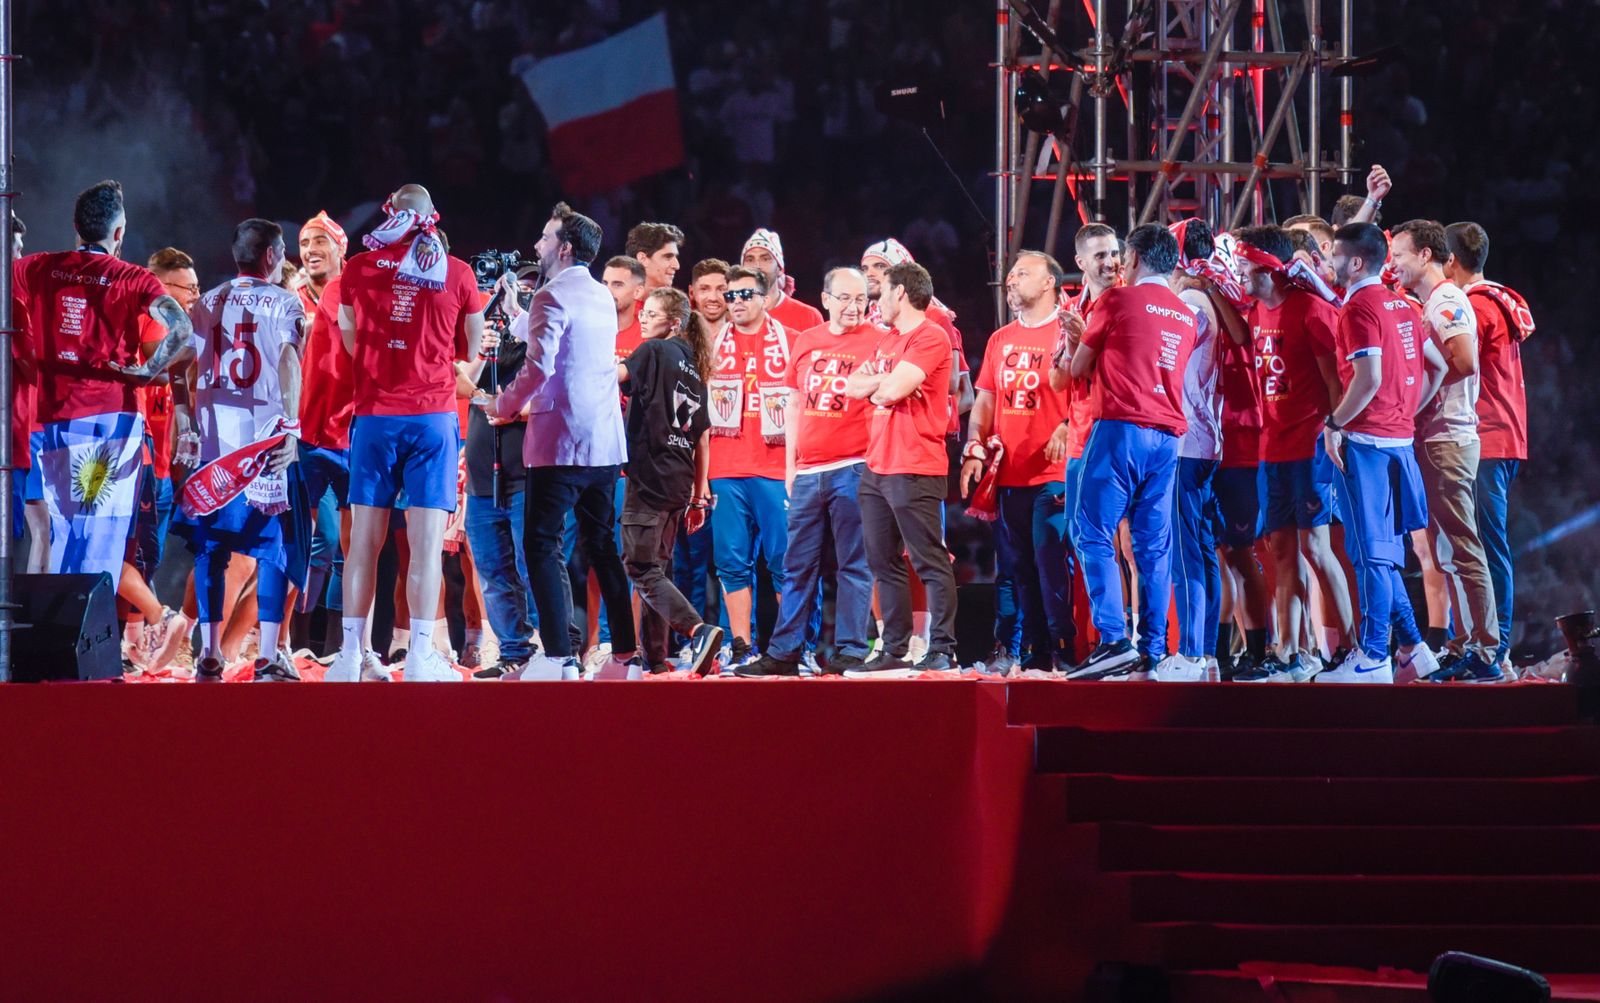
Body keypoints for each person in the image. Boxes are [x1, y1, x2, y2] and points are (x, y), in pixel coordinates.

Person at [328, 184, 484, 682]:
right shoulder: (458, 272)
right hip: (432, 417)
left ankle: (350, 657)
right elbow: (472, 355)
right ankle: (419, 655)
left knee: (362, 546)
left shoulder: (356, 268)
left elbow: (350, 342)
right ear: (432, 216)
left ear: (390, 214)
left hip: (374, 417)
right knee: (424, 544)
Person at [485, 202, 637, 681]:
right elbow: (564, 342)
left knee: (541, 545)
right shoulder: (598, 296)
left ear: (565, 247)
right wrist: (517, 314)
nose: (537, 246)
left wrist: (501, 405)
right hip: (604, 446)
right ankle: (623, 658)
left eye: (545, 238)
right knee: (602, 546)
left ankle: (558, 658)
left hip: (560, 443)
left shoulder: (551, 296)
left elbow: (539, 367)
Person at [19, 180, 193, 593]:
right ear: (118, 234)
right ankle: (83, 644)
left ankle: (43, 641)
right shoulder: (134, 278)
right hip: (107, 426)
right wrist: (149, 370)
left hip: (48, 421)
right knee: (97, 543)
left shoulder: (37, 266)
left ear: (75, 227)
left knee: (50, 537)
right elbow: (181, 328)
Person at [1059, 223, 1198, 682]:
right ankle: (1153, 651)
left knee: (1091, 532)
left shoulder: (1115, 301)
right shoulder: (1185, 314)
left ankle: (1114, 641)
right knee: (1153, 549)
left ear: (1134, 259)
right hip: (1169, 439)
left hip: (1120, 429)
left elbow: (1078, 369)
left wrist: (1080, 335)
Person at [173, 219, 305, 682]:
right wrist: (291, 426)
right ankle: (267, 655)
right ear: (270, 255)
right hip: (262, 447)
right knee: (273, 550)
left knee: (211, 551)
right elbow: (289, 362)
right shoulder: (287, 302)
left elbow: (178, 363)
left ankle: (209, 655)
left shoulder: (206, 303)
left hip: (214, 445)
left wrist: (184, 417)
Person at [1318, 222, 1447, 684]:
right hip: (1398, 441)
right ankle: (1413, 649)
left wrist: (1334, 423)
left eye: (1334, 255)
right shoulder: (1403, 304)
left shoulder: (1357, 308)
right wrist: (1405, 408)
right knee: (1383, 554)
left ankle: (1373, 655)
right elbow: (1438, 365)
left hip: (1368, 445)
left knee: (1372, 555)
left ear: (1354, 262)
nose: (1330, 263)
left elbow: (1368, 379)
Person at [738, 267, 878, 677]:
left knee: (854, 564)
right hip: (806, 472)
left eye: (861, 300)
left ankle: (852, 650)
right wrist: (790, 466)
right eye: (845, 298)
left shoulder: (878, 342)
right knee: (796, 564)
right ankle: (786, 652)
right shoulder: (807, 342)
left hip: (854, 467)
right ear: (826, 299)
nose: (854, 307)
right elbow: (794, 406)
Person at [1234, 224, 1357, 682]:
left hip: (1309, 446)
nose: (1239, 272)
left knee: (1317, 547)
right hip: (1272, 447)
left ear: (1267, 265)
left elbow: (1335, 383)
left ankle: (1350, 647)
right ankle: (1288, 652)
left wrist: (1334, 430)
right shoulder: (1254, 314)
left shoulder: (1312, 311)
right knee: (1280, 548)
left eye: (1245, 264)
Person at [1391, 219, 1502, 681]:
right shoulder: (1429, 302)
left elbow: (1465, 360)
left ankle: (1487, 651)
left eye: (1399, 255)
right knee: (1444, 549)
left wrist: (1421, 388)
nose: (1393, 263)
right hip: (1435, 437)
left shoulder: (1448, 300)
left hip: (1449, 437)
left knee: (1463, 544)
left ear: (1426, 256)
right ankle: (1462, 643)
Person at [961, 251, 1074, 672]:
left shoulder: (1068, 331)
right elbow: (985, 400)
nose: (1011, 281)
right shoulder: (1000, 339)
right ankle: (1031, 651)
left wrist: (1066, 424)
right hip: (1009, 474)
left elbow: (1087, 391)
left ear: (1049, 283)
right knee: (1016, 569)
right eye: (1009, 276)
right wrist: (974, 445)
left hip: (1054, 473)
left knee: (1051, 562)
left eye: (1022, 274)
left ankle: (1064, 645)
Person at [843, 261, 957, 676]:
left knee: (928, 560)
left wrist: (880, 384)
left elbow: (889, 389)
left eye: (883, 290)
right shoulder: (889, 340)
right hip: (877, 465)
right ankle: (894, 648)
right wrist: (880, 385)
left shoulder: (930, 336)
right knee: (882, 561)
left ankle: (943, 648)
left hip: (915, 464)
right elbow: (852, 385)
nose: (878, 298)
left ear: (901, 293)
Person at [615, 287, 723, 675]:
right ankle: (656, 661)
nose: (642, 318)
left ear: (674, 322)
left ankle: (697, 629)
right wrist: (698, 496)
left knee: (641, 568)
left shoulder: (653, 351)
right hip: (679, 482)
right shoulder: (695, 366)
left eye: (651, 313)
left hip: (649, 477)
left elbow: (616, 376)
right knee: (658, 570)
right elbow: (702, 435)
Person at [1443, 221, 1531, 672]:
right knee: (1484, 545)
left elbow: (1454, 363)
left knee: (1484, 547)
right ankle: (1482, 645)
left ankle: (1494, 652)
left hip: (1488, 438)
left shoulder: (1472, 307)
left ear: (1451, 261)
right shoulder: (1498, 297)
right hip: (1505, 436)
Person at [705, 265, 792, 668]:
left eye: (745, 294)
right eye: (730, 296)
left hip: (777, 469)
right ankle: (741, 647)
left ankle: (792, 649)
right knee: (731, 562)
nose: (736, 303)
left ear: (765, 297)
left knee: (786, 563)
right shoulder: (710, 345)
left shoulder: (791, 343)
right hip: (725, 467)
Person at [458, 274, 541, 679]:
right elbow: (461, 384)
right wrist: (481, 348)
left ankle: (553, 648)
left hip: (527, 472)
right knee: (491, 569)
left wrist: (513, 408)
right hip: (480, 477)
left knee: (533, 564)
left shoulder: (542, 342)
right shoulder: (483, 342)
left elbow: (554, 392)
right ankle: (513, 649)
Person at [1166, 220, 1229, 681]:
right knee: (1202, 550)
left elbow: (1167, 362)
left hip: (1187, 440)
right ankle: (1204, 652)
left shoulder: (1188, 302)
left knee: (1187, 552)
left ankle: (1190, 651)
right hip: (1205, 439)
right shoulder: (1202, 297)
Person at [741, 228, 822, 332]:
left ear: (779, 269)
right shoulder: (732, 317)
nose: (757, 266)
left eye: (765, 259)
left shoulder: (809, 316)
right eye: (750, 260)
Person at [625, 221, 684, 290]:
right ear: (642, 259)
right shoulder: (615, 299)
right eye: (668, 257)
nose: (677, 266)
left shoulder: (677, 300)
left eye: (676, 257)